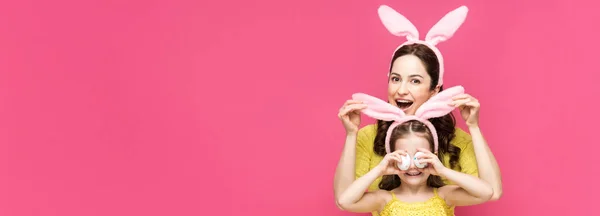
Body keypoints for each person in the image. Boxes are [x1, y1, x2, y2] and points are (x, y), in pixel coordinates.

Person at [333, 4, 502, 215]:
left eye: (415, 81)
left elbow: (492, 192)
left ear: (435, 89)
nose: (401, 90)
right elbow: (343, 199)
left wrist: (474, 127)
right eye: (396, 79)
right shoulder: (369, 137)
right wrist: (351, 135)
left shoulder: (454, 139)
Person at [336, 87, 495, 216]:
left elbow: (486, 192)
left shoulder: (444, 195)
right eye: (404, 157)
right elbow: (345, 202)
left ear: (433, 155)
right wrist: (380, 169)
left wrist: (443, 170)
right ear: (392, 157)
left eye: (419, 157)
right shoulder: (383, 198)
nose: (412, 166)